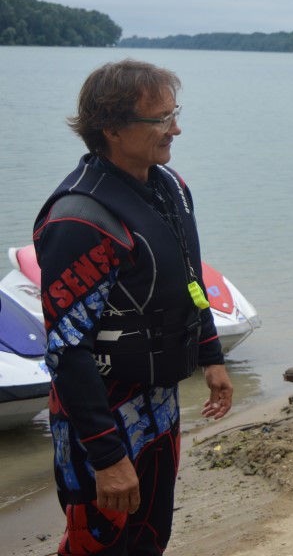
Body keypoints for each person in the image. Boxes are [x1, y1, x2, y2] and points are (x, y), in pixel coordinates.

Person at [33, 59, 234, 555]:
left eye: (174, 113)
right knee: (99, 544)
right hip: (102, 418)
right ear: (113, 129)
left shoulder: (169, 188)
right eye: (161, 119)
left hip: (159, 404)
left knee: (149, 536)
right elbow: (65, 351)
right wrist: (106, 456)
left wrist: (211, 356)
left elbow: (188, 279)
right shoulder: (80, 221)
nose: (176, 128)